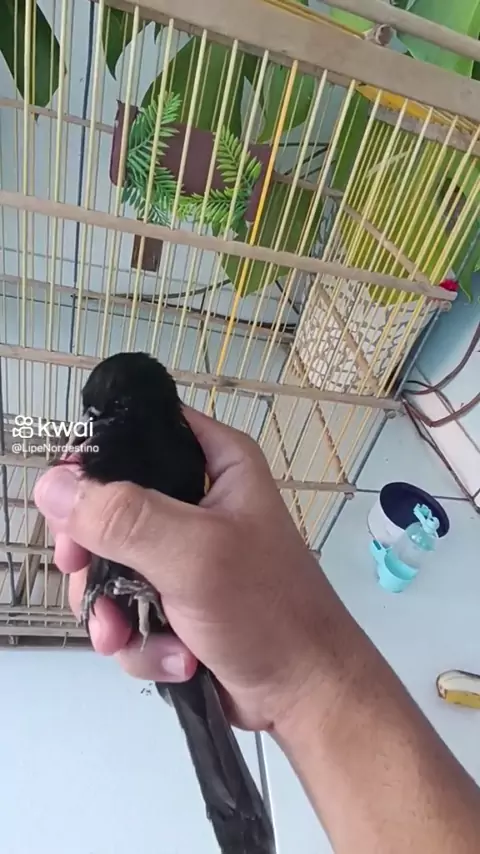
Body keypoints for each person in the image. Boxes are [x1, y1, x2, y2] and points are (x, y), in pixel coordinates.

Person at [34, 408, 480, 852]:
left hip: (178, 613)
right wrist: (299, 685)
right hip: (173, 616)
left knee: (146, 647)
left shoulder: (162, 458)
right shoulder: (152, 455)